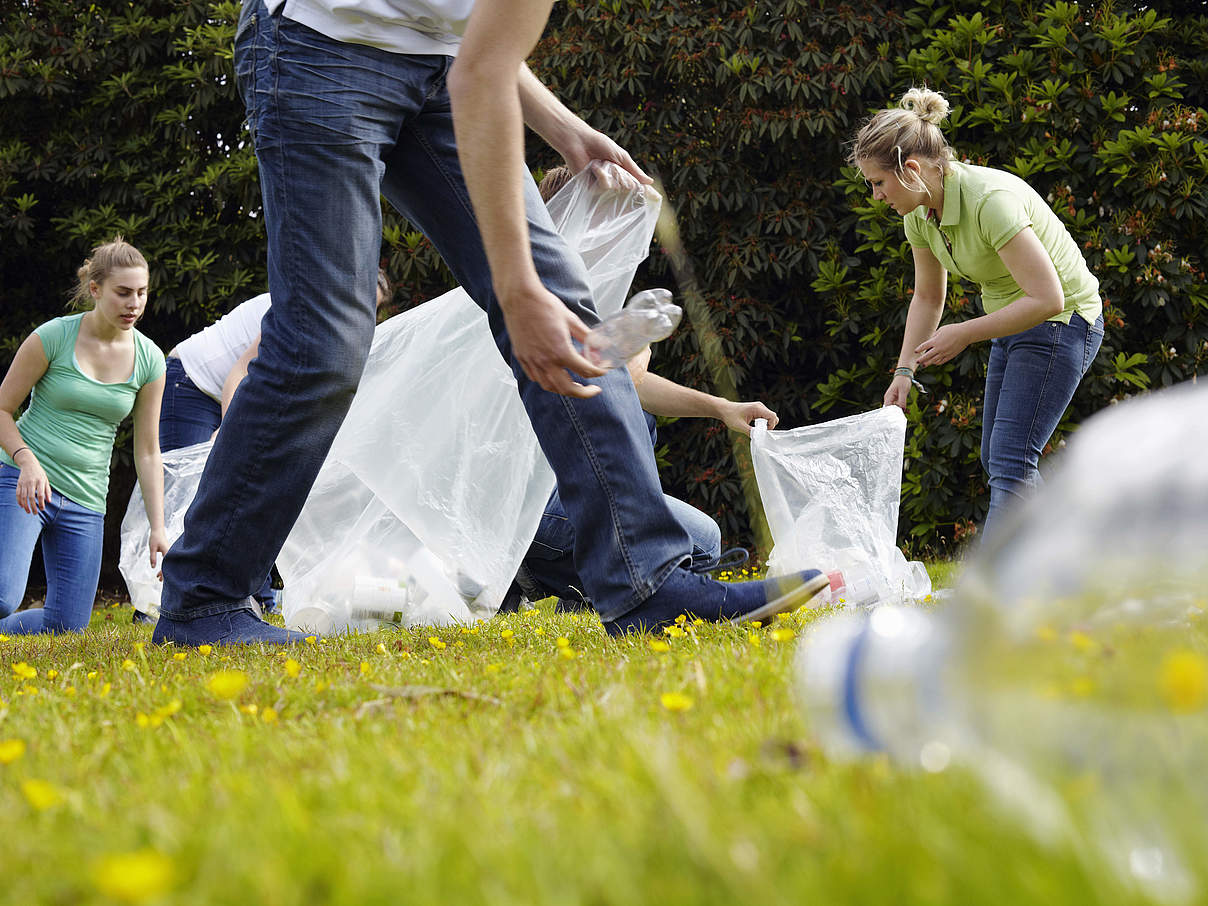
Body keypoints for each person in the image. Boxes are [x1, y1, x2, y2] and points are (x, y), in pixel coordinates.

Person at [152, 0, 827, 647]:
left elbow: (479, 41)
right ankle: (205, 597)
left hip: (442, 65)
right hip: (317, 47)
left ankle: (646, 583)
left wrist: (563, 129)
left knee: (567, 310)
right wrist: (515, 289)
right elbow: (482, 74)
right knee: (325, 344)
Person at [508, 166, 781, 612]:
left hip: (558, 492)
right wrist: (630, 354)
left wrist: (721, 408)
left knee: (704, 538)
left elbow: (635, 385)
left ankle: (574, 587)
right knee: (695, 543)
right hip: (529, 503)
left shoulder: (590, 291)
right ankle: (532, 568)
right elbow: (595, 387)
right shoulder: (535, 297)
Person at [853, 88, 1103, 542]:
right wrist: (904, 371)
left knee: (1011, 459)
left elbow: (1047, 297)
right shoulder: (920, 213)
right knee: (999, 458)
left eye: (878, 183)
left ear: (911, 170)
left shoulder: (991, 200)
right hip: (1015, 321)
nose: (875, 196)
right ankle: (1070, 558)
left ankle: (997, 592)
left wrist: (965, 333)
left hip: (1064, 320)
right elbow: (928, 297)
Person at [138, 269, 393, 623]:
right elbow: (241, 373)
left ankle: (257, 596)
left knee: (259, 488)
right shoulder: (299, 306)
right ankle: (155, 603)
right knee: (189, 495)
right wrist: (231, 434)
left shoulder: (338, 327)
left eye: (373, 308)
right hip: (191, 381)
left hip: (233, 389)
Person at [0, 237, 167, 634]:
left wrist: (158, 527)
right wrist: (26, 460)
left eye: (142, 293)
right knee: (3, 596)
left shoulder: (150, 359)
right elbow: (3, 408)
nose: (134, 303)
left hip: (86, 498)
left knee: (66, 626)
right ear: (95, 289)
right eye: (123, 292)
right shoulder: (53, 337)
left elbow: (147, 451)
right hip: (24, 482)